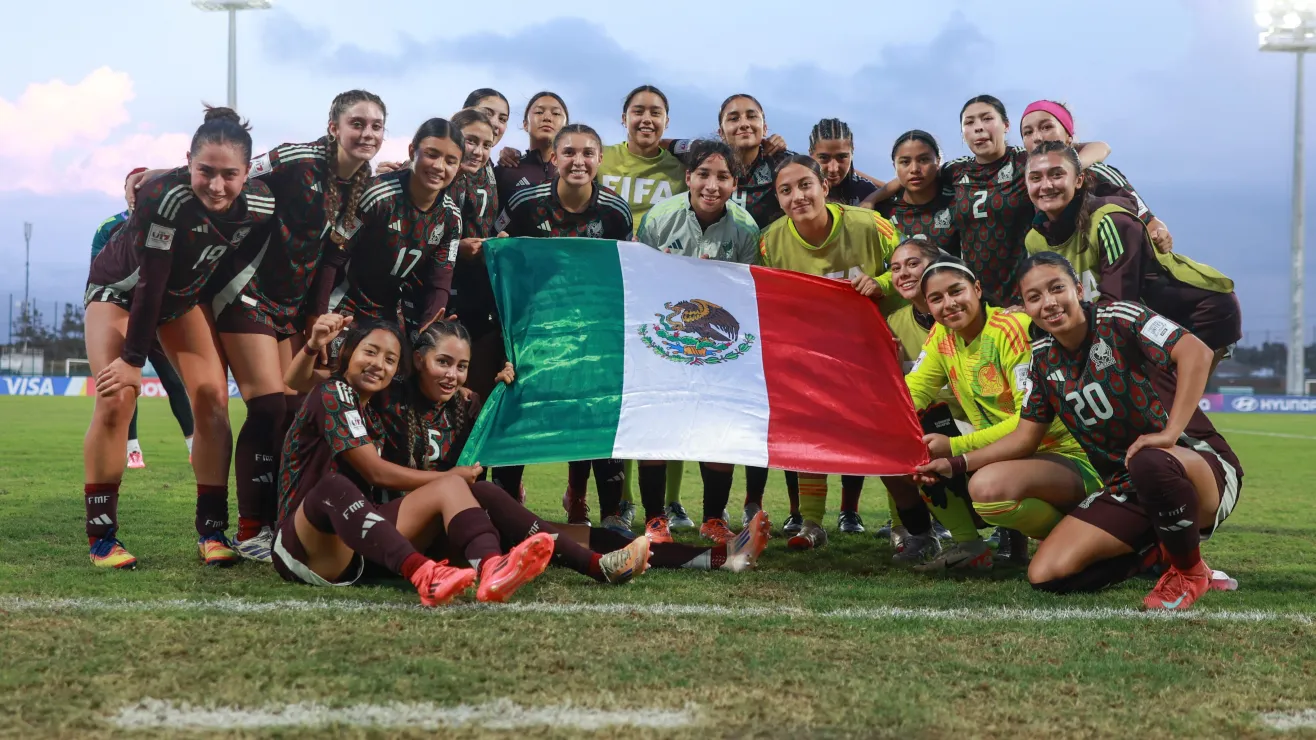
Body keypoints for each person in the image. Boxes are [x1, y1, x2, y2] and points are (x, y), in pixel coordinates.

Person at [293, 313, 772, 579]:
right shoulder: (375, 392)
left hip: (421, 522)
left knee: (550, 528)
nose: (450, 374)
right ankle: (557, 567)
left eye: (459, 367)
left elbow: (486, 434)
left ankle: (713, 556)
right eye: (441, 362)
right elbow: (300, 387)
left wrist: (506, 389)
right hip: (365, 527)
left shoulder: (464, 404)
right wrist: (314, 346)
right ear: (415, 362)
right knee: (486, 499)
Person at [125, 91, 388, 561]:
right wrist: (153, 176)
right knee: (267, 408)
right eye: (357, 123)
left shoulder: (362, 187)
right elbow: (224, 170)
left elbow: (329, 256)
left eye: (376, 126)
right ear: (333, 126)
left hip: (293, 306)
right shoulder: (296, 159)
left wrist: (314, 317)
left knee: (290, 412)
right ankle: (249, 531)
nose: (366, 134)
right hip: (245, 291)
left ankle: (277, 523)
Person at [917, 252, 1242, 610]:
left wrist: (1169, 433)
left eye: (1057, 288)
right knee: (1047, 575)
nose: (1049, 303)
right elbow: (1025, 437)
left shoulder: (1121, 317)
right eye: (1034, 297)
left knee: (1150, 460)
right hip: (1124, 485)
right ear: (1023, 306)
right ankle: (1156, 553)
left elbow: (1196, 352)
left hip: (1196, 466)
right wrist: (955, 464)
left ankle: (1190, 571)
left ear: (1079, 288)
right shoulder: (1042, 358)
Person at [83, 106, 276, 569]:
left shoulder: (263, 202)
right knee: (118, 395)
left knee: (211, 397)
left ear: (247, 173)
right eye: (204, 171)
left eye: (229, 174)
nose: (216, 185)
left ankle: (211, 531)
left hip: (179, 301)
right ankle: (103, 538)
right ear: (186, 161)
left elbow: (298, 167)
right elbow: (149, 283)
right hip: (122, 292)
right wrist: (132, 359)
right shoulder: (164, 198)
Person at [274, 318, 554, 604]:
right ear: (348, 353)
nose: (378, 364)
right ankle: (424, 573)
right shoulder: (334, 392)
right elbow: (296, 382)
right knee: (333, 486)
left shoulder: (374, 404)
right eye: (369, 352)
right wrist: (312, 345)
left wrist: (488, 387)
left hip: (354, 548)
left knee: (458, 489)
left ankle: (493, 568)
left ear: (397, 370)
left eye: (390, 359)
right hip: (303, 544)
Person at [900, 257, 1104, 565]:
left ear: (977, 289)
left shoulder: (1012, 329)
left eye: (957, 291)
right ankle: (970, 547)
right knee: (916, 438)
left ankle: (1086, 540)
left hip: (1067, 454)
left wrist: (954, 448)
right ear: (927, 306)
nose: (949, 304)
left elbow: (1028, 424)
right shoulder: (942, 337)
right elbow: (914, 391)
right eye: (937, 299)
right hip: (1007, 454)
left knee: (987, 489)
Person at [757, 155, 902, 549]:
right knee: (812, 434)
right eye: (785, 191)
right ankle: (812, 524)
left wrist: (883, 283)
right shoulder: (771, 240)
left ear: (824, 186)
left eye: (805, 185)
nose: (798, 196)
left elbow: (913, 267)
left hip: (876, 348)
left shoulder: (869, 224)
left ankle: (903, 524)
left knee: (889, 435)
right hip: (815, 355)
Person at [504, 123, 634, 533]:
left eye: (588, 153)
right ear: (555, 158)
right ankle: (507, 505)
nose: (579, 160)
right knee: (520, 408)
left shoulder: (615, 212)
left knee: (598, 410)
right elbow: (500, 256)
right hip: (535, 329)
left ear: (599, 160)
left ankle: (608, 511)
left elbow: (625, 271)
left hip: (593, 330)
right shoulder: (526, 202)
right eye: (570, 152)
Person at [632, 139, 761, 544]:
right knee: (656, 424)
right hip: (664, 339)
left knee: (718, 427)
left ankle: (713, 518)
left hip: (720, 346)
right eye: (703, 174)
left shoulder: (745, 229)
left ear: (734, 183)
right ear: (688, 177)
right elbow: (639, 277)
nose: (712, 185)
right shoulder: (660, 218)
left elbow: (749, 291)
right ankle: (655, 520)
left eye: (722, 176)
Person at [1024, 141, 1241, 369]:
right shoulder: (1035, 239)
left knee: (1163, 401)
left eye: (1057, 175)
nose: (1046, 185)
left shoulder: (1111, 221)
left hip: (1199, 312)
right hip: (1139, 322)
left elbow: (1119, 306)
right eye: (1036, 178)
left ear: (1078, 180)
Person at [893, 96, 1108, 305]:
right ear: (962, 133)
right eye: (969, 122)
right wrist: (872, 197)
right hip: (976, 298)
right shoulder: (955, 170)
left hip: (1024, 294)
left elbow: (1100, 147)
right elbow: (912, 177)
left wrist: (1074, 167)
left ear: (1005, 125)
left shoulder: (1027, 160)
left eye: (987, 118)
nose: (978, 127)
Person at [858, 237, 981, 564]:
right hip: (932, 424)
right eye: (895, 268)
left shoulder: (978, 315)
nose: (903, 274)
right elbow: (900, 391)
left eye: (913, 263)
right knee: (893, 445)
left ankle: (1009, 538)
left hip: (983, 424)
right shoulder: (893, 323)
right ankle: (921, 536)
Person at [314, 118, 464, 337]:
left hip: (387, 312)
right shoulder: (378, 195)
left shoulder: (451, 217)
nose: (439, 166)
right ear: (413, 151)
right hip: (343, 302)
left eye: (451, 161)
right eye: (432, 154)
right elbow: (332, 257)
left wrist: (429, 329)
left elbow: (439, 281)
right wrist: (316, 315)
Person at [90, 203, 195, 469]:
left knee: (173, 381)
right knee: (125, 385)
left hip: (156, 314)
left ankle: (194, 445)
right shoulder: (108, 226)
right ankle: (132, 449)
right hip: (123, 312)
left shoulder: (166, 223)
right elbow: (99, 272)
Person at [1018, 100, 1173, 252]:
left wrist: (1160, 235)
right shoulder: (1031, 181)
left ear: (1069, 136)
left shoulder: (1097, 172)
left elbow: (1150, 221)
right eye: (1028, 132)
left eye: (1046, 127)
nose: (1037, 137)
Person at [868, 130, 960, 258]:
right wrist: (870, 199)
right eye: (905, 162)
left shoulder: (958, 202)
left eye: (923, 160)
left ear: (938, 161)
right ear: (894, 166)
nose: (914, 169)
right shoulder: (883, 212)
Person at [718, 94, 795, 229]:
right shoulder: (706, 162)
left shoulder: (786, 165)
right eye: (734, 118)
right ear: (721, 133)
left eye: (752, 116)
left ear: (764, 128)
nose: (744, 124)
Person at [494, 91, 568, 209]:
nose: (547, 118)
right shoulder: (506, 170)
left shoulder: (574, 172)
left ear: (566, 128)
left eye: (556, 113)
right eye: (539, 112)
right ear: (525, 124)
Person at [808, 118, 881, 206]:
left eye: (842, 157)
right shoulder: (796, 190)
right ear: (810, 155)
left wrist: (873, 197)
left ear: (852, 152)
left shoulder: (865, 192)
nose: (833, 169)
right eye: (824, 158)